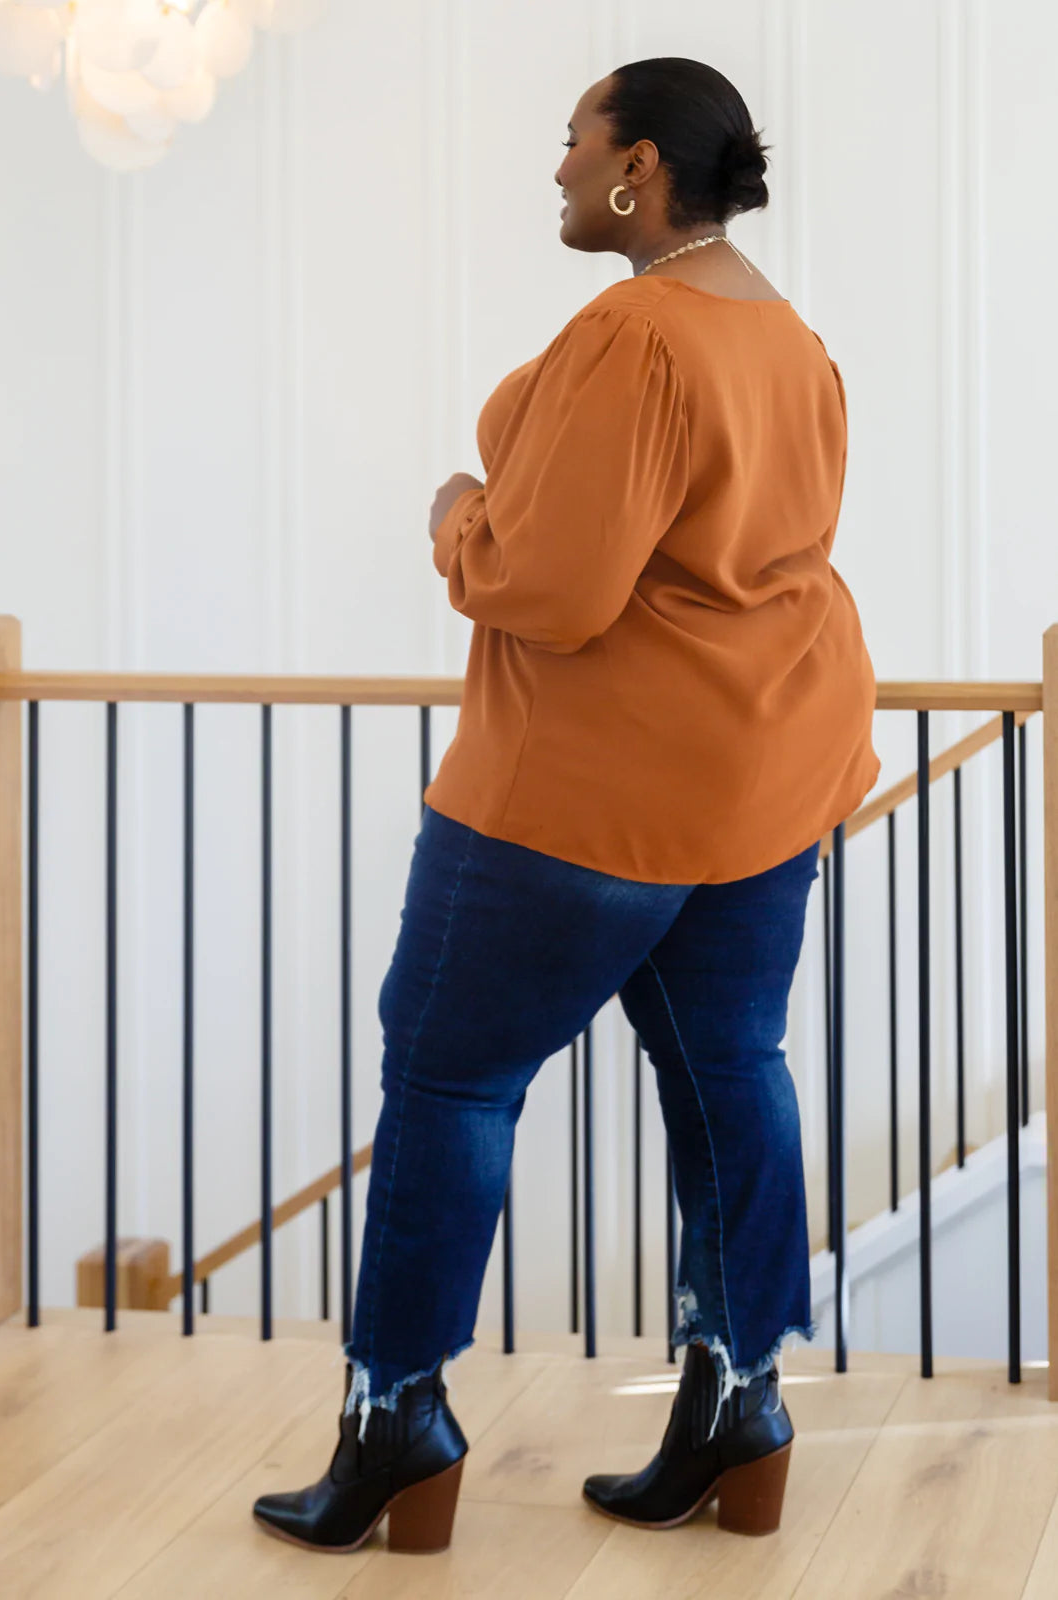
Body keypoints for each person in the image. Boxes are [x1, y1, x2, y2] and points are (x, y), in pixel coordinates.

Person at [252, 55, 880, 1556]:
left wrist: (457, 518)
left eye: (573, 141)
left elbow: (554, 586)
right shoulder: (788, 338)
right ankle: (739, 1401)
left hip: (587, 793)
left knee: (450, 1083)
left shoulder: (634, 333)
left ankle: (394, 1421)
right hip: (761, 776)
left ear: (637, 167)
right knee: (732, 1073)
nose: (556, 168)